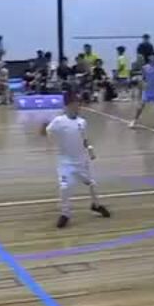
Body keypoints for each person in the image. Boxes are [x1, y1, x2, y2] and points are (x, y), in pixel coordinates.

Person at [43, 95, 112, 229]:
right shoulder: (58, 121)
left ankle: (96, 205)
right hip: (65, 163)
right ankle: (65, 214)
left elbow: (84, 139)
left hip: (82, 161)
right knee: (64, 187)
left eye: (79, 104)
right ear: (67, 106)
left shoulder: (82, 122)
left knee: (91, 183)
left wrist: (90, 149)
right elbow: (47, 132)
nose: (78, 107)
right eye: (75, 104)